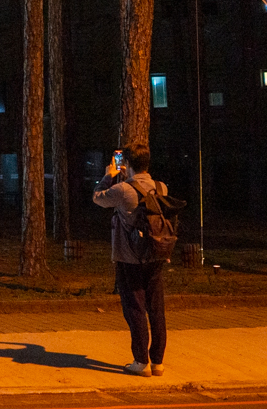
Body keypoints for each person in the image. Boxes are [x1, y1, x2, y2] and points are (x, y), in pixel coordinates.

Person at [93, 143, 167, 377]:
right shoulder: (161, 187)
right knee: (156, 309)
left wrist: (108, 176)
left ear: (126, 163)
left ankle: (140, 361)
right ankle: (157, 362)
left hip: (130, 258)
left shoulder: (123, 189)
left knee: (135, 308)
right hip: (155, 255)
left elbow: (98, 198)